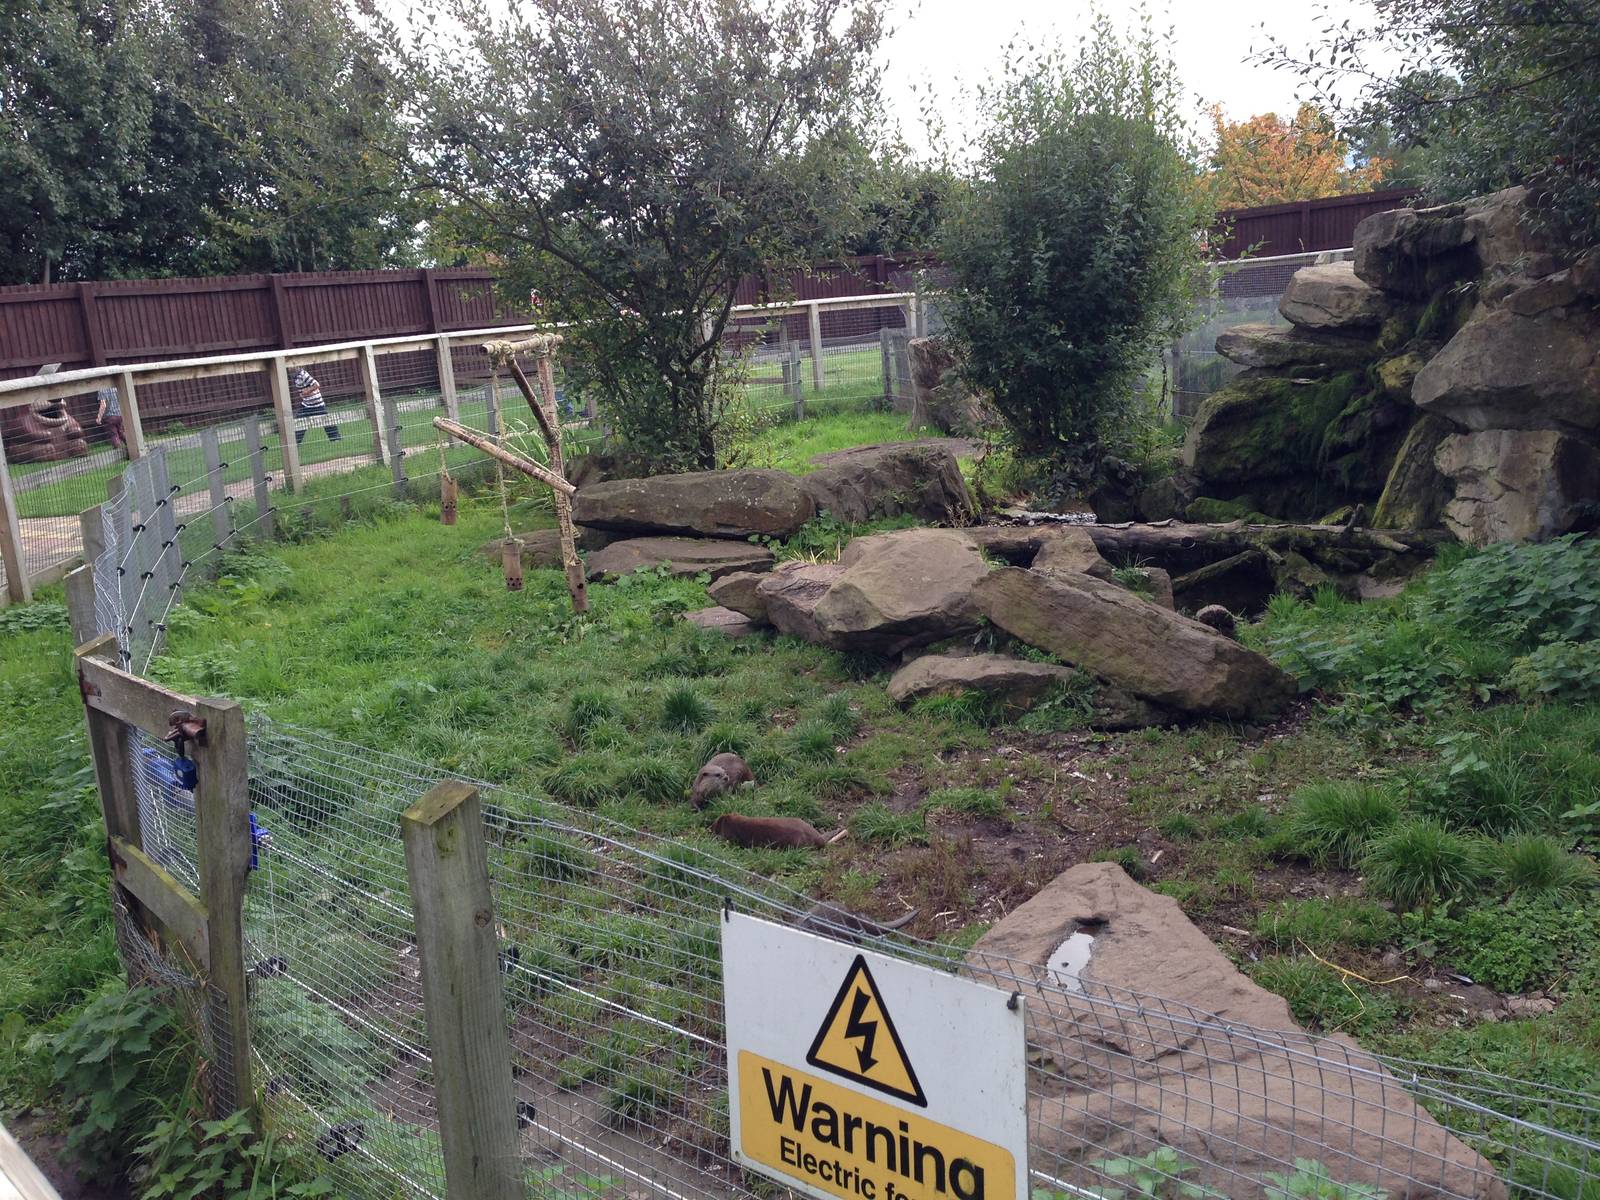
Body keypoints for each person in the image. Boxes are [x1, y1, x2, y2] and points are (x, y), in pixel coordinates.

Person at [291, 366, 341, 444]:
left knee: (327, 422)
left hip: (317, 404)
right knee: (299, 423)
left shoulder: (303, 374)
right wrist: (303, 395)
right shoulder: (295, 376)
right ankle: (294, 443)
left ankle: (336, 439)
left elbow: (316, 385)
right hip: (306, 404)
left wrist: (306, 392)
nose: (288, 368)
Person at [95, 383, 126, 452]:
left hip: (110, 416)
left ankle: (118, 451)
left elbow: (103, 405)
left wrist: (99, 417)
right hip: (119, 414)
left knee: (113, 434)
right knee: (121, 432)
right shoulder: (115, 388)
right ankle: (129, 444)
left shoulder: (101, 390)